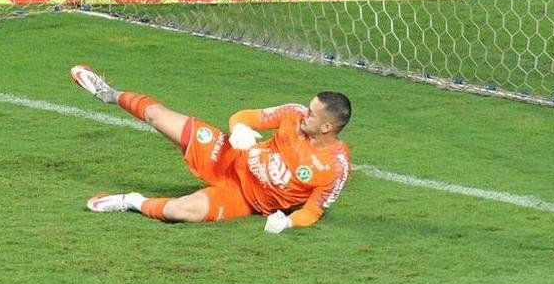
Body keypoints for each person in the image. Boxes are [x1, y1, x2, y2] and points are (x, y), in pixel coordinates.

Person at [70, 65, 352, 233]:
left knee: (180, 210)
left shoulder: (336, 167)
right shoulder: (293, 114)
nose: (304, 114)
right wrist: (239, 128)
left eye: (312, 114)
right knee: (157, 115)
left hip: (242, 198)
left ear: (327, 127)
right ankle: (108, 93)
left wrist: (289, 222)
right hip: (230, 156)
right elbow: (245, 116)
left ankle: (132, 201)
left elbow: (313, 211)